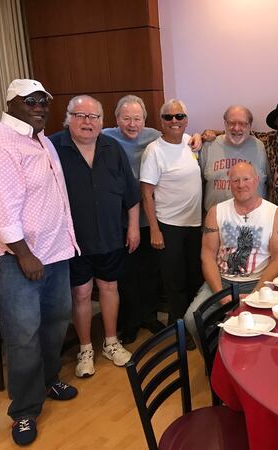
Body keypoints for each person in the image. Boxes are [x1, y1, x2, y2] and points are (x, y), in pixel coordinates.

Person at [0, 79, 79, 446]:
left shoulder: (41, 140)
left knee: (56, 322)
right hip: (20, 259)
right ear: (11, 102)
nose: (39, 106)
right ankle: (25, 411)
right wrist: (26, 255)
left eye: (44, 100)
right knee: (24, 335)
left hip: (56, 252)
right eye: (30, 100)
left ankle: (47, 380)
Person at [49, 95, 141, 378]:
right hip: (73, 240)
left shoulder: (112, 147)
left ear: (102, 122)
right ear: (68, 118)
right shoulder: (53, 147)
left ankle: (111, 343)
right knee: (81, 292)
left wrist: (134, 226)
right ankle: (85, 348)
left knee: (110, 288)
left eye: (94, 117)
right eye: (81, 116)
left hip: (111, 235)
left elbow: (131, 193)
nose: (87, 122)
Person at [203, 97, 278, 271]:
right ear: (277, 125)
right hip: (275, 212)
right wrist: (206, 133)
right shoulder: (269, 140)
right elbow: (237, 131)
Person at [184, 162, 278, 351]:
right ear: (229, 184)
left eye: (246, 179)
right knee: (192, 320)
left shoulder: (276, 214)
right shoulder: (216, 211)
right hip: (221, 282)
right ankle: (214, 360)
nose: (241, 185)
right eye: (235, 180)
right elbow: (207, 256)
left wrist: (254, 295)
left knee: (260, 330)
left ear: (257, 180)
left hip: (259, 282)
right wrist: (222, 298)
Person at [140, 99, 202, 348]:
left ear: (186, 119)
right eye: (168, 117)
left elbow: (215, 133)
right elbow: (146, 194)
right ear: (161, 121)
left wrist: (200, 134)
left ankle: (192, 324)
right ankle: (178, 331)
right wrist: (154, 229)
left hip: (195, 224)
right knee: (174, 282)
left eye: (179, 116)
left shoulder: (191, 142)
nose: (174, 121)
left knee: (195, 277)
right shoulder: (154, 151)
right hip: (168, 225)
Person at [102, 95, 163, 343]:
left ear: (144, 120)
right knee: (125, 273)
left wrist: (204, 135)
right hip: (119, 219)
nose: (132, 124)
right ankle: (130, 322)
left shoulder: (154, 136)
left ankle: (149, 316)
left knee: (149, 271)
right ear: (117, 119)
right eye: (126, 118)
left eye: (137, 118)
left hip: (149, 217)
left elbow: (182, 139)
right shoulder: (104, 136)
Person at [200, 105, 268, 211]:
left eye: (242, 123)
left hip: (254, 220)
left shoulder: (259, 147)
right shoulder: (209, 145)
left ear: (250, 126)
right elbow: (200, 183)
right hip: (216, 220)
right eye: (231, 123)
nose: (236, 128)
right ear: (225, 124)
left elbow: (268, 182)